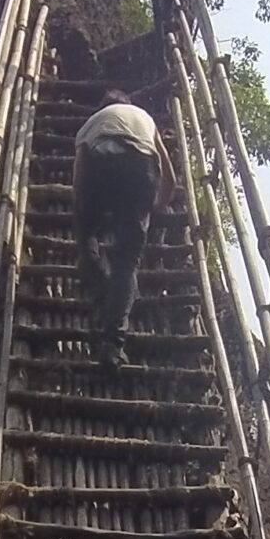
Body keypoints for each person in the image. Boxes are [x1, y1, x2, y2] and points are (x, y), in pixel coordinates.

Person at [71, 91, 176, 354]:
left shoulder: (92, 123)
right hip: (142, 169)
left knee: (87, 239)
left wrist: (85, 221)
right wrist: (155, 208)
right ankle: (113, 343)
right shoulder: (145, 119)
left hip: (102, 163)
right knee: (127, 261)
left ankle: (103, 286)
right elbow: (170, 177)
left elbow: (79, 177)